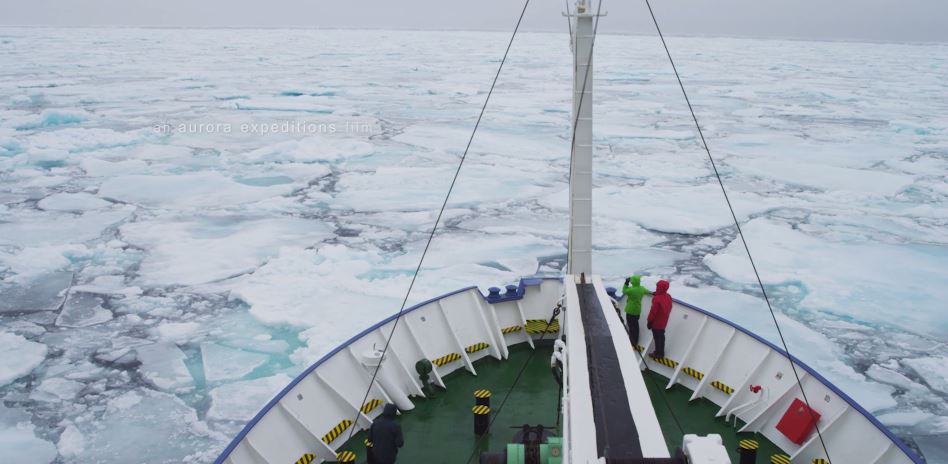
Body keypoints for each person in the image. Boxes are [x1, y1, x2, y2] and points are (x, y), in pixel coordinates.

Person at [646, 279, 673, 358]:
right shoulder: (668, 296)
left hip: (656, 322)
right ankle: (661, 352)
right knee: (661, 337)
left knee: (657, 338)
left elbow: (653, 312)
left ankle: (658, 353)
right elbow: (669, 306)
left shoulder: (656, 299)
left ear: (659, 287)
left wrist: (649, 321)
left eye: (657, 286)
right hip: (664, 321)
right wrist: (656, 294)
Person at [621, 275, 649, 347]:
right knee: (635, 326)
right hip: (637, 310)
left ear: (632, 282)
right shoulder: (641, 289)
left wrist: (626, 283)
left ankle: (632, 342)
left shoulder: (631, 290)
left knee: (631, 327)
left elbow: (624, 291)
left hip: (630, 310)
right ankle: (635, 341)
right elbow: (647, 291)